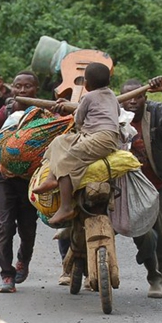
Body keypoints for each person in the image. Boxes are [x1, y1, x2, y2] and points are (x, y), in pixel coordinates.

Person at [118, 77, 162, 298]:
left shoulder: (155, 112)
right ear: (120, 100)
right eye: (128, 97)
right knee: (144, 235)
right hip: (126, 189)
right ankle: (153, 276)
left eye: (138, 96)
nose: (133, 101)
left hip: (155, 184)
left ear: (145, 98)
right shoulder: (113, 118)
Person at [32, 62, 120, 226]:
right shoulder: (112, 95)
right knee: (60, 141)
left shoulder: (87, 97)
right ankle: (52, 177)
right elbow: (116, 113)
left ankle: (66, 207)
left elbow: (78, 119)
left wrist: (70, 108)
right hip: (104, 136)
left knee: (66, 160)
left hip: (99, 138)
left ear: (86, 83)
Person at [0, 70, 41, 293]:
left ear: (36, 89)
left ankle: (23, 262)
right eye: (19, 86)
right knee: (6, 226)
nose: (23, 91)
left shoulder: (41, 115)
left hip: (29, 180)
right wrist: (4, 167)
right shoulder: (4, 114)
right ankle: (7, 274)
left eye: (28, 87)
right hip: (3, 178)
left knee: (28, 228)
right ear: (12, 88)